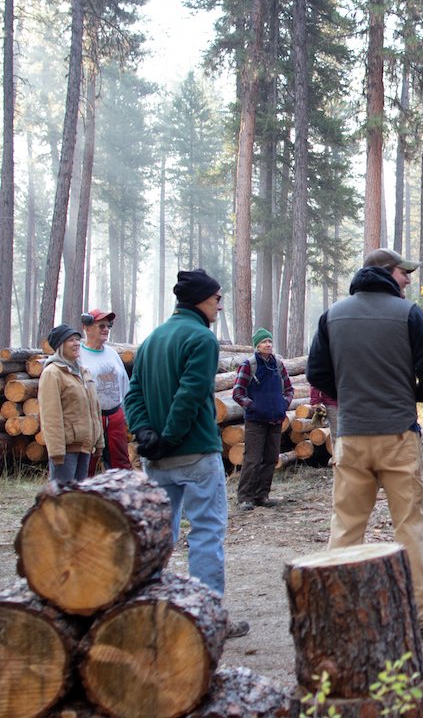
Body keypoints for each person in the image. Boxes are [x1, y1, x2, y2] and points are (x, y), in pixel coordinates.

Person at [307, 248, 423, 638]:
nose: (407, 279)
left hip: (351, 436)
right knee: (408, 527)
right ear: (386, 272)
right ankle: (418, 616)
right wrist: (412, 396)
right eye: (404, 273)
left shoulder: (333, 315)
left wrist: (351, 396)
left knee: (347, 526)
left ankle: (337, 616)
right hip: (398, 436)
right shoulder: (409, 314)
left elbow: (317, 372)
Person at [124, 269, 249, 638]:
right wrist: (169, 436)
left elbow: (134, 395)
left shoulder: (151, 340)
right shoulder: (202, 339)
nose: (220, 306)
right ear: (199, 301)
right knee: (207, 533)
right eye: (216, 299)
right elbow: (192, 394)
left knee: (160, 536)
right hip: (194, 453)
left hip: (157, 460)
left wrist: (146, 432)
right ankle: (208, 617)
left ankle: (152, 615)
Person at [231, 328, 294, 511]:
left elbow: (289, 389)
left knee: (270, 458)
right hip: (255, 421)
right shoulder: (249, 364)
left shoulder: (278, 365)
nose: (268, 344)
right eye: (264, 342)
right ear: (257, 346)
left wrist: (283, 404)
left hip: (275, 420)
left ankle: (262, 495)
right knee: (252, 459)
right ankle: (245, 497)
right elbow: (237, 392)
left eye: (269, 341)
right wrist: (253, 406)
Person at [41, 323, 102, 483]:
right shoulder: (52, 373)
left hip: (86, 447)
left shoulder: (83, 371)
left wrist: (99, 441)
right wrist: (56, 452)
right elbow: (50, 416)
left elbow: (95, 409)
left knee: (78, 499)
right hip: (66, 451)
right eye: (70, 340)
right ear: (60, 346)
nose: (76, 343)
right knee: (63, 500)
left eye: (77, 339)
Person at [78, 308, 131, 474]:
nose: (106, 329)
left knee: (120, 462)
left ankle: (121, 497)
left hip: (115, 416)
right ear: (87, 328)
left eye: (108, 326)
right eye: (101, 325)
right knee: (88, 462)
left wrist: (125, 413)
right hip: (90, 417)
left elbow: (124, 384)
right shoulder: (78, 355)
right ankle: (84, 497)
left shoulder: (112, 354)